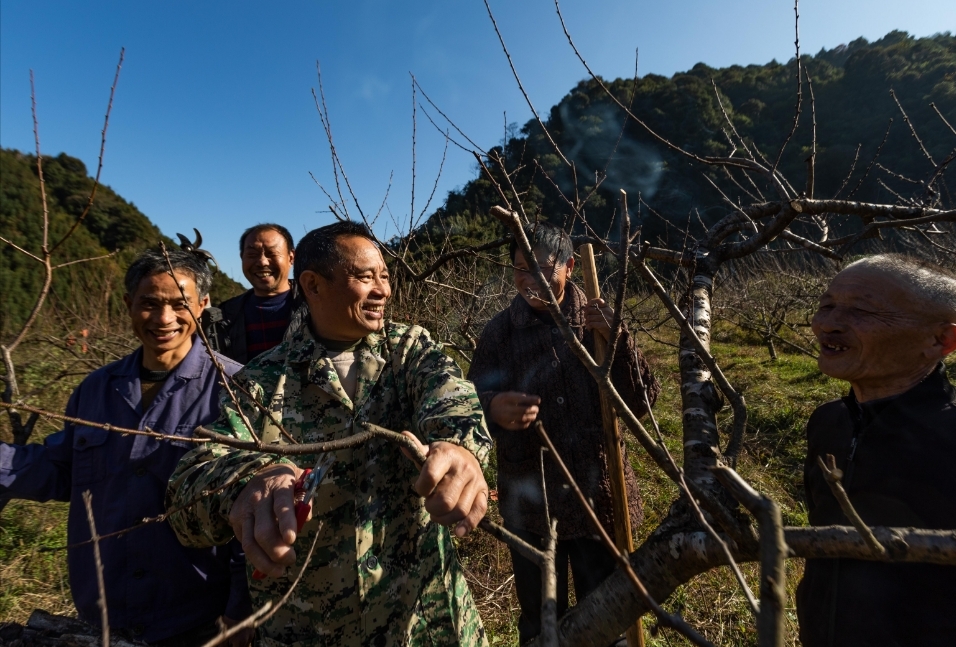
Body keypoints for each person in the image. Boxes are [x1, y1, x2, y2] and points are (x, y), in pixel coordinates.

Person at [166, 221, 492, 646]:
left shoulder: (408, 350)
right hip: (310, 631)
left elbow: (452, 397)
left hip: (426, 623)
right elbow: (188, 492)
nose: (382, 290)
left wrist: (459, 447)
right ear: (313, 285)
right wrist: (248, 481)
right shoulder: (264, 380)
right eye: (364, 277)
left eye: (385, 276)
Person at [0, 248, 252, 646]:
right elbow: (63, 469)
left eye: (179, 304)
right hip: (104, 606)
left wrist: (241, 609)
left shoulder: (236, 389)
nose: (164, 318)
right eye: (149, 304)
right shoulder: (96, 389)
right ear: (128, 305)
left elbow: (250, 506)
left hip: (196, 613)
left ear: (203, 306)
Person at [467, 222, 660, 646]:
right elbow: (468, 404)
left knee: (606, 613)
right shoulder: (499, 333)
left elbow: (643, 402)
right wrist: (492, 407)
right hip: (530, 503)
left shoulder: (596, 323)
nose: (528, 279)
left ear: (570, 266)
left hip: (598, 500)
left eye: (540, 267)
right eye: (519, 268)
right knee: (540, 618)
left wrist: (619, 339)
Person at [797, 254, 956, 647]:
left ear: (941, 340)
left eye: (862, 310)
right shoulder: (827, 423)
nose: (828, 323)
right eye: (827, 304)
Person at [213, 224, 296, 364]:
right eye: (252, 255)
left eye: (272, 253)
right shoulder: (225, 315)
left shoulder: (317, 304)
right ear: (242, 258)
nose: (262, 262)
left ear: (291, 258)